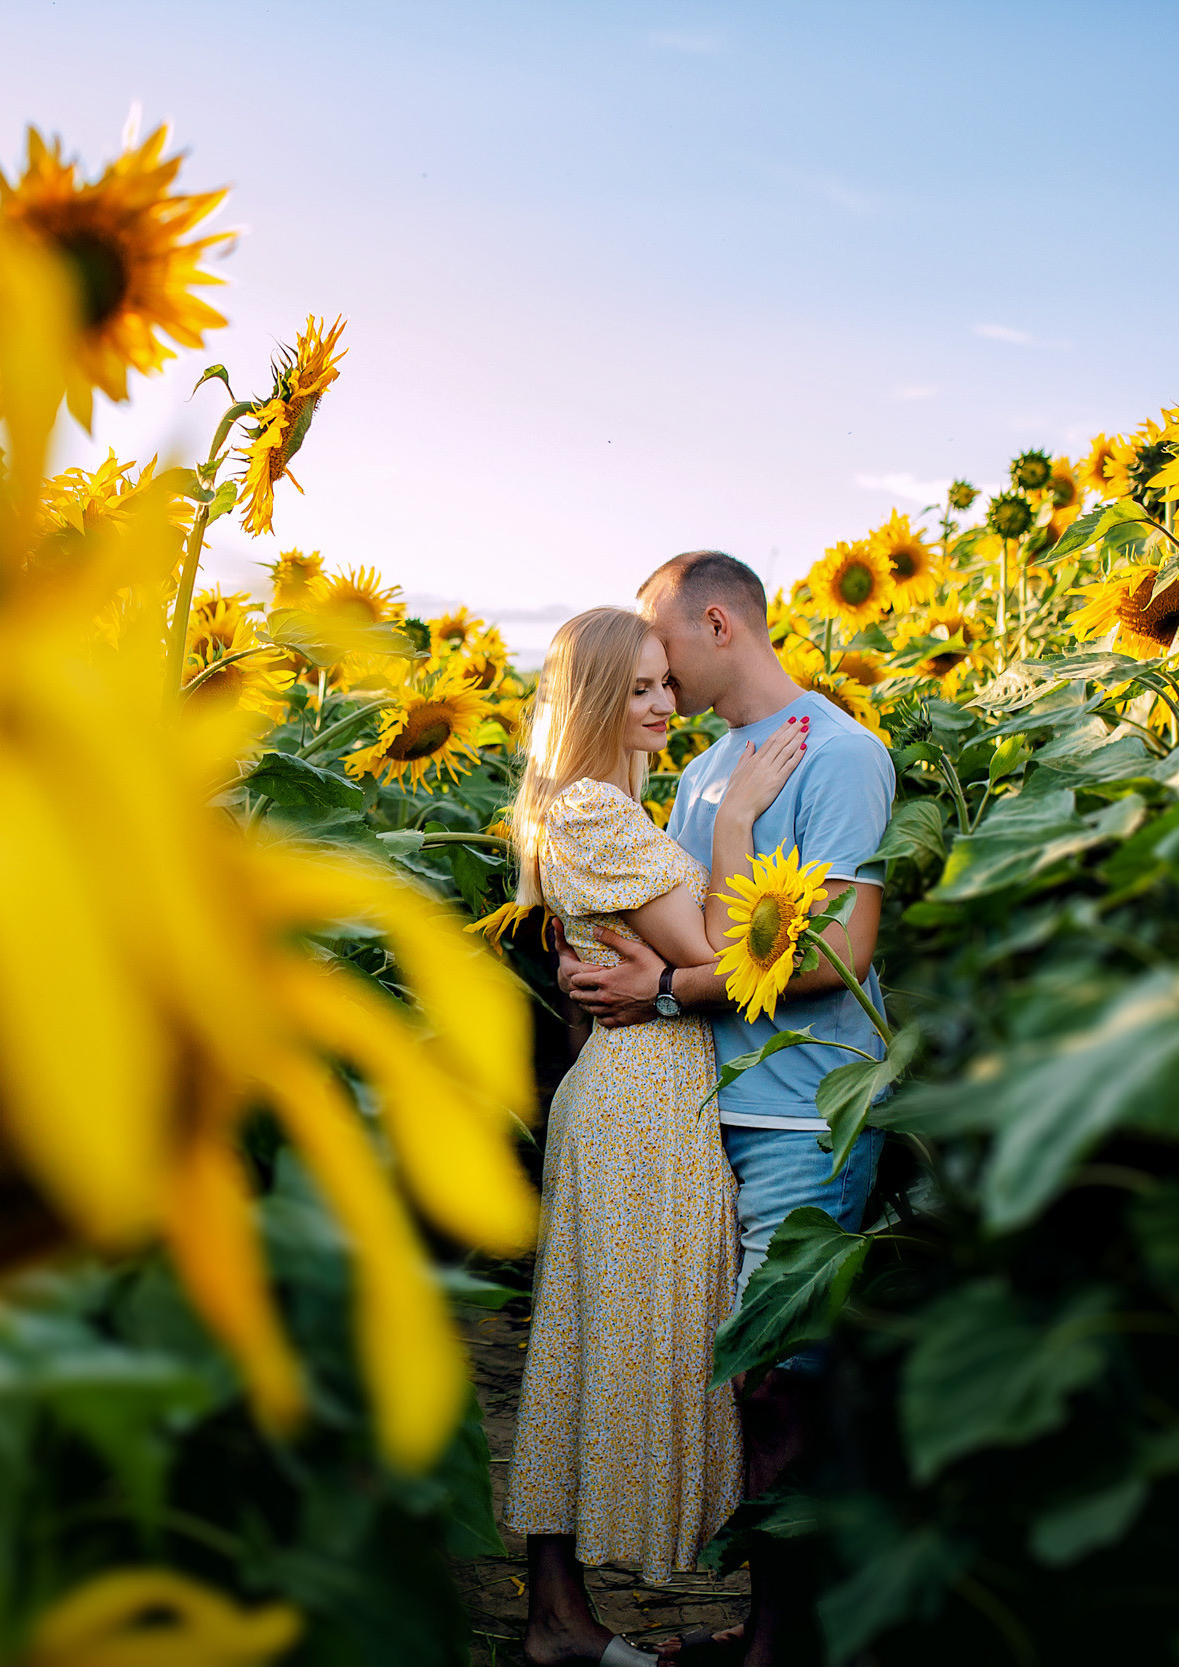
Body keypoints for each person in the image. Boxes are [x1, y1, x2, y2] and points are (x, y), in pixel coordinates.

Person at [558, 551, 897, 1667]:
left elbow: (838, 952)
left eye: (663, 649)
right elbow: (677, 923)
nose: (656, 675)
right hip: (706, 1112)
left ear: (716, 624)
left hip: (804, 1109)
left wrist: (660, 988)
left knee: (777, 1375)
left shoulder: (837, 752)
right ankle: (765, 1624)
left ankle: (781, 1646)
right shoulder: (703, 770)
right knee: (741, 1381)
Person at [505, 606, 809, 1667]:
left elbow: (665, 960)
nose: (664, 703)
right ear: (591, 699)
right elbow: (718, 950)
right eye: (636, 688)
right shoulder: (593, 809)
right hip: (641, 1103)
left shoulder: (609, 805)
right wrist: (736, 826)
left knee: (591, 1337)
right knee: (607, 1340)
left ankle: (558, 1613)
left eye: (664, 682)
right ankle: (555, 1613)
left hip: (647, 1091)